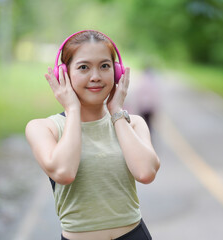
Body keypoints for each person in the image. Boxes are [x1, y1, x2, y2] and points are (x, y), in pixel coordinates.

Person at [25, 30, 160, 240]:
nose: (96, 76)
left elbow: (146, 173)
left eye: (105, 66)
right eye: (84, 67)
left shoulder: (133, 123)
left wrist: (116, 112)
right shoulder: (44, 128)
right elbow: (64, 172)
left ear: (117, 72)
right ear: (64, 75)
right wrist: (72, 109)